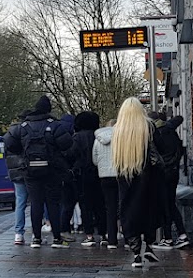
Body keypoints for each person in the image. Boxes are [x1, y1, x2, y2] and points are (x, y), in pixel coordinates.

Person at [4, 95, 73, 249]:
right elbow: (67, 144)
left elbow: (9, 142)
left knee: (36, 203)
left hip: (30, 171)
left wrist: (21, 151)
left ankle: (36, 238)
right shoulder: (54, 125)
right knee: (53, 204)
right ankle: (56, 238)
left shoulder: (23, 126)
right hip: (51, 170)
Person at [112, 97, 166, 267]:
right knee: (150, 207)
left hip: (125, 172)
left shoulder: (118, 129)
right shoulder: (148, 126)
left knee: (129, 208)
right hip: (148, 173)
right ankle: (149, 245)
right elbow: (160, 147)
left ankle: (136, 252)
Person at [148, 112, 190, 250]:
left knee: (166, 205)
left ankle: (169, 238)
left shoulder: (157, 133)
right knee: (170, 203)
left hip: (163, 172)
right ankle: (179, 235)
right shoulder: (170, 130)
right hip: (174, 171)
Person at [69, 111, 107, 247]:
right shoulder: (99, 136)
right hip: (99, 173)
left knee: (86, 205)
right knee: (101, 205)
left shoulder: (76, 137)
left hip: (82, 174)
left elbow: (71, 154)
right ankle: (104, 234)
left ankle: (89, 235)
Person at [5, 109, 32, 245]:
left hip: (15, 171)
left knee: (20, 202)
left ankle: (18, 234)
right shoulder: (28, 130)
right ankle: (36, 232)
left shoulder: (10, 132)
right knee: (36, 201)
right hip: (28, 169)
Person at [93, 119, 119, 249]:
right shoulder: (121, 137)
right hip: (120, 174)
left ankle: (112, 239)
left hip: (104, 176)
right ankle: (128, 235)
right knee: (124, 205)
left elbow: (95, 159)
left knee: (110, 208)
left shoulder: (98, 139)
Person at [59, 113, 78, 242]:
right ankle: (65, 229)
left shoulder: (57, 135)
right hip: (72, 173)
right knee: (70, 203)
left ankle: (62, 229)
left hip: (59, 173)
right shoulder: (73, 137)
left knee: (62, 204)